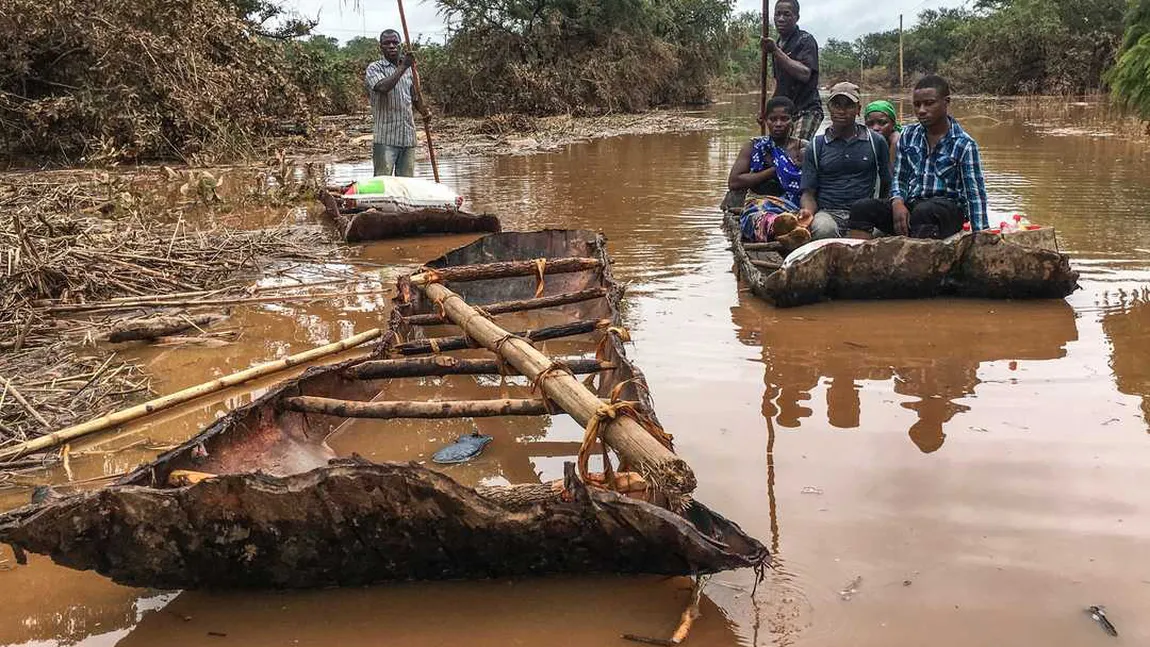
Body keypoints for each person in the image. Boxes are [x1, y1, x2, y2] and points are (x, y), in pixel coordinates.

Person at [848, 75, 989, 239]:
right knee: (862, 208)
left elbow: (975, 195)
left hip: (947, 211)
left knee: (924, 211)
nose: (921, 110)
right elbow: (900, 178)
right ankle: (860, 261)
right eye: (917, 105)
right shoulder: (908, 135)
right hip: (913, 205)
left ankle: (919, 262)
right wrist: (897, 202)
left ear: (946, 102)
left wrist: (981, 237)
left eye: (929, 103)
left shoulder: (964, 144)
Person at [798, 82, 891, 240]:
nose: (842, 111)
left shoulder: (876, 142)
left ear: (858, 109)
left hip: (864, 214)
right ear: (829, 108)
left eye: (848, 105)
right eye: (836, 105)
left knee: (874, 235)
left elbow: (887, 183)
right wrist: (807, 211)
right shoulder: (816, 145)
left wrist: (880, 209)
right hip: (828, 213)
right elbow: (808, 192)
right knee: (823, 230)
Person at [727, 96, 810, 246]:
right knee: (756, 218)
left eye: (784, 119)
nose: (778, 124)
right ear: (765, 120)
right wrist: (775, 170)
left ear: (793, 120)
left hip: (793, 205)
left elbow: (812, 184)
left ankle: (789, 231)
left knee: (800, 219)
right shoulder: (754, 146)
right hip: (759, 204)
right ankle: (778, 228)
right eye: (773, 119)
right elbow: (734, 182)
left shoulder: (803, 148)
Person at [364, 29, 430, 177]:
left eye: (395, 42)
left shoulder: (410, 70)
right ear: (380, 47)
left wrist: (424, 111)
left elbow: (415, 96)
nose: (392, 46)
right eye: (387, 43)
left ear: (400, 45)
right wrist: (403, 67)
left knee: (406, 184)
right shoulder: (375, 68)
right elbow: (383, 87)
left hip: (408, 136)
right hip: (386, 137)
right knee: (383, 182)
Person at [762, 0, 822, 142]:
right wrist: (767, 109)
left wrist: (776, 52)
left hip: (807, 109)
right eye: (778, 14)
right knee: (777, 151)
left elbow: (805, 74)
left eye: (786, 14)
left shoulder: (805, 40)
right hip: (784, 112)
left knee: (795, 149)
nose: (781, 19)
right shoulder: (776, 44)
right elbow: (777, 82)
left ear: (796, 17)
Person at [864, 99, 901, 171]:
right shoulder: (861, 142)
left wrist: (895, 143)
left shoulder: (902, 142)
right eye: (870, 124)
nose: (875, 128)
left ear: (893, 124)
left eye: (882, 123)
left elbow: (891, 175)